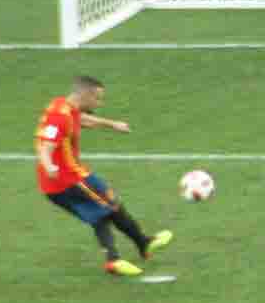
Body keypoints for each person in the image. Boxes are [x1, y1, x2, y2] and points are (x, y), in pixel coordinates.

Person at [35, 75, 173, 278]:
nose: (99, 103)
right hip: (68, 180)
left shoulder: (64, 107)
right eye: (97, 98)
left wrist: (112, 124)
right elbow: (46, 146)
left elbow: (81, 120)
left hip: (60, 182)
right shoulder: (60, 116)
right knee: (109, 206)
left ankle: (124, 254)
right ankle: (140, 246)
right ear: (85, 95)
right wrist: (49, 166)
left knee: (100, 211)